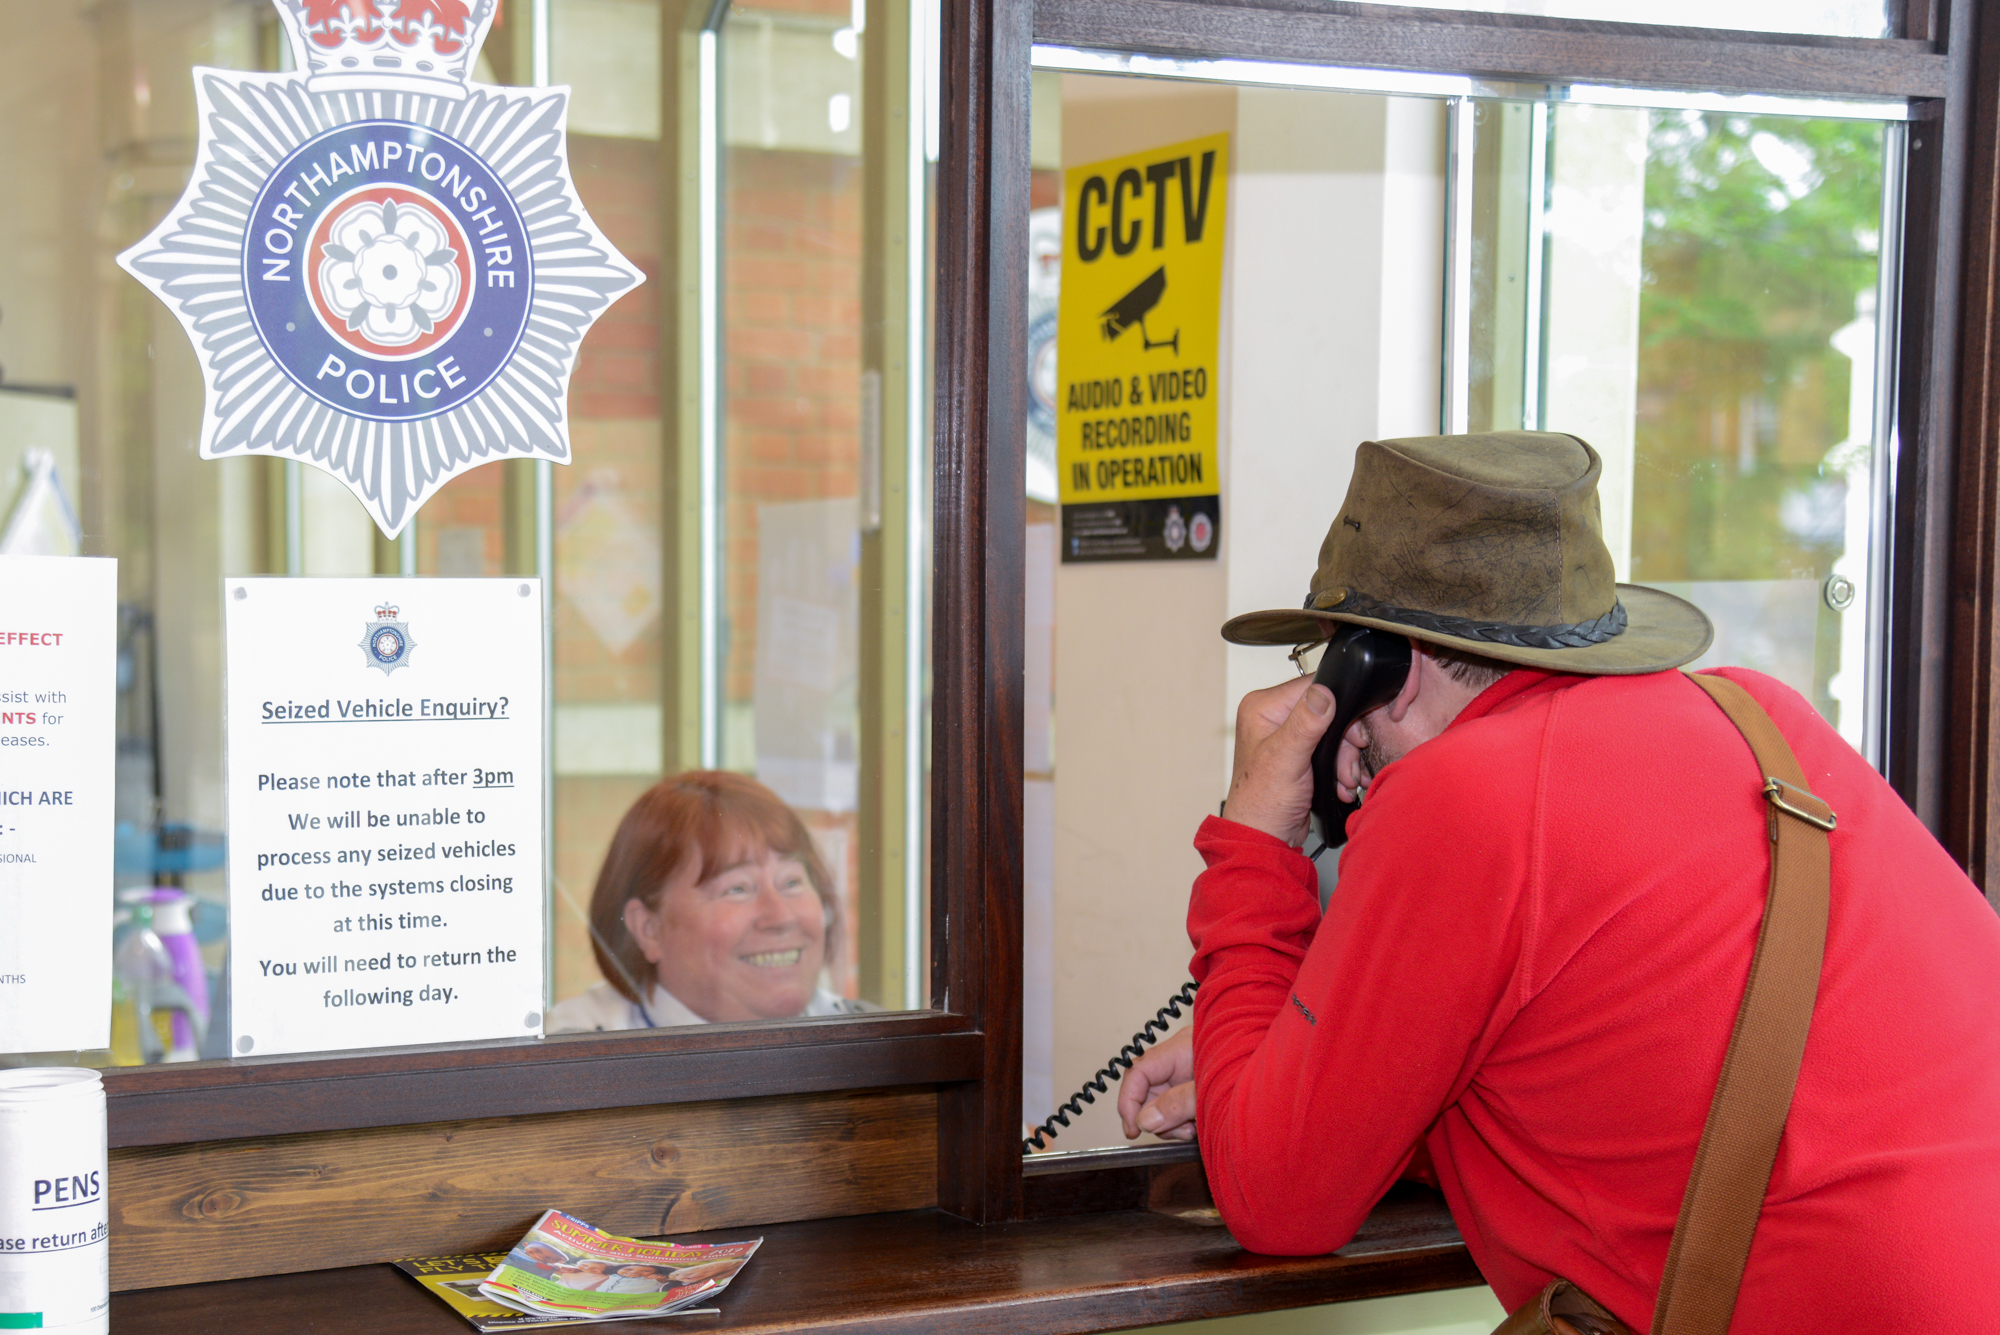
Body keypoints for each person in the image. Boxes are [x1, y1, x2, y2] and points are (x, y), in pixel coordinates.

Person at [1117, 431, 2000, 1329]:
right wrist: (1277, 1063)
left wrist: (1256, 838)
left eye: (1322, 661)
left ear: (1382, 667)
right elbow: (1620, 1074)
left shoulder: (1455, 798)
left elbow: (1279, 1204)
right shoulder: (1762, 717)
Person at [548, 771, 872, 1031]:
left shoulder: (880, 1046)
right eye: (738, 889)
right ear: (648, 929)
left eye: (791, 882)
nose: (781, 916)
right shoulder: (566, 1064)